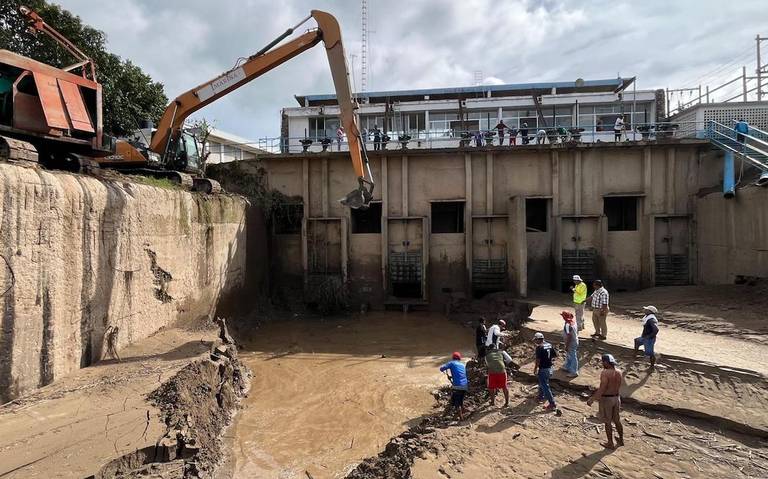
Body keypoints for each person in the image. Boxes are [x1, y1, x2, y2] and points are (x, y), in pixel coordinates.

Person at [587, 354, 624, 449]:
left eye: (603, 362)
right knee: (617, 420)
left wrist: (592, 399)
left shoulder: (605, 373)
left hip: (607, 399)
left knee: (607, 422)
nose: (602, 363)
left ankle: (610, 443)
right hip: (616, 398)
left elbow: (602, 388)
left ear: (606, 362)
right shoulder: (619, 371)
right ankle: (621, 440)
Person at [439, 352, 469, 420]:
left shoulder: (452, 363)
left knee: (457, 403)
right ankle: (463, 411)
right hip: (465, 385)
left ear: (453, 358)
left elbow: (441, 368)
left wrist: (445, 368)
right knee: (460, 399)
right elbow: (460, 375)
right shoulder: (462, 364)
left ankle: (461, 418)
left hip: (457, 386)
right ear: (459, 358)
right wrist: (452, 377)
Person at [533, 332, 557, 411]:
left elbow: (538, 360)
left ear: (538, 339)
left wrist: (535, 368)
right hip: (549, 367)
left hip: (543, 368)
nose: (535, 342)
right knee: (542, 382)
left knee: (545, 386)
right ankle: (540, 396)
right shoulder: (549, 345)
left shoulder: (539, 347)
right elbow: (554, 355)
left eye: (536, 340)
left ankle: (552, 403)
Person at [561, 311, 579, 377]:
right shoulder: (573, 322)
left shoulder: (567, 325)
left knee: (572, 356)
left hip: (571, 342)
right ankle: (567, 367)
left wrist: (567, 346)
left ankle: (574, 372)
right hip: (575, 341)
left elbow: (569, 336)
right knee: (569, 355)